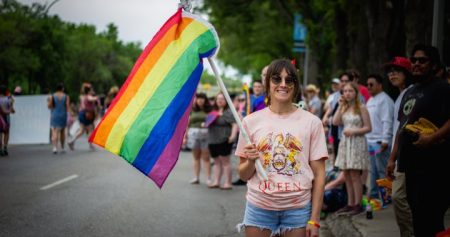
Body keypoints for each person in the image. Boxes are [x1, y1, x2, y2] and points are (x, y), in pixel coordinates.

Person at [235, 59, 327, 237]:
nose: (283, 84)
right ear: (267, 83)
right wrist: (251, 162)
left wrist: (314, 219)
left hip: (298, 210)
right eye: (277, 79)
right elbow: (243, 174)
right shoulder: (250, 122)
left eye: (289, 80)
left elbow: (320, 175)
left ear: (295, 85)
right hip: (259, 207)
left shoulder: (312, 123)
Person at [387, 44, 450, 237]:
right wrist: (392, 158)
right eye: (413, 60)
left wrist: (432, 138)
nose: (416, 64)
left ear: (433, 64)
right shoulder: (410, 92)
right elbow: (402, 127)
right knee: (417, 217)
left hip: (434, 167)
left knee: (431, 220)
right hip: (410, 165)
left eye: (422, 60)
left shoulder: (442, 88)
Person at [383, 56, 415, 237]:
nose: (392, 74)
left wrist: (392, 157)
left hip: (407, 154)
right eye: (390, 71)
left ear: (407, 73)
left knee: (399, 197)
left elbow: (403, 129)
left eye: (397, 70)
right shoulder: (401, 95)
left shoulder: (411, 92)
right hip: (399, 153)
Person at [333, 82, 372, 216]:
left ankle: (358, 204)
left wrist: (354, 131)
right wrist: (339, 105)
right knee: (347, 174)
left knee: (355, 174)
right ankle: (350, 204)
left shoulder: (361, 108)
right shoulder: (344, 107)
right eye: (345, 91)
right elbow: (335, 122)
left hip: (357, 141)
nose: (347, 93)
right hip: (346, 143)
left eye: (350, 91)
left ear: (356, 93)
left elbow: (368, 127)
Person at [365, 74, 394, 201]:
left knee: (383, 171)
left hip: (380, 142)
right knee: (373, 171)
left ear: (380, 85)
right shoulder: (370, 100)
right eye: (367, 85)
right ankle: (375, 196)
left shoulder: (385, 100)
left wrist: (385, 140)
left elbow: (387, 121)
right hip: (370, 142)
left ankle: (386, 197)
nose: (368, 87)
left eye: (371, 84)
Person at [207, 92, 238, 190]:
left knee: (225, 162)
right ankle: (216, 181)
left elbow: (234, 124)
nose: (220, 100)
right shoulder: (213, 111)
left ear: (226, 101)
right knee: (216, 162)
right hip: (212, 139)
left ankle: (228, 182)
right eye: (218, 99)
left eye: (222, 99)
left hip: (224, 139)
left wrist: (233, 136)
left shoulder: (229, 112)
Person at [184, 93, 212, 185]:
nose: (200, 100)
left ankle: (208, 178)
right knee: (196, 158)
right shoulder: (191, 109)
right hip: (193, 135)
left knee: (206, 158)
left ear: (205, 100)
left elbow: (212, 120)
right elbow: (187, 124)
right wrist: (185, 136)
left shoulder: (209, 110)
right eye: (198, 98)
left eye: (202, 98)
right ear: (195, 100)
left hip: (206, 135)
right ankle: (196, 177)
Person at [68, 84, 99, 151]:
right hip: (87, 115)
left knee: (82, 130)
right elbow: (91, 99)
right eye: (91, 90)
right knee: (91, 129)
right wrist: (96, 98)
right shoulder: (88, 96)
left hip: (83, 114)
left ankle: (72, 141)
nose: (92, 91)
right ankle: (90, 144)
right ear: (89, 91)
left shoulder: (83, 97)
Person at [47, 83, 70, 154]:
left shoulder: (52, 96)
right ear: (62, 88)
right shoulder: (66, 96)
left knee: (54, 131)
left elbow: (49, 106)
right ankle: (62, 147)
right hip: (63, 115)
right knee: (62, 132)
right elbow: (67, 106)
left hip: (54, 115)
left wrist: (49, 103)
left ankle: (55, 148)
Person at [0, 85, 15, 156]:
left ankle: (0, 149)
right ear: (6, 91)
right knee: (6, 132)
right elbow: (12, 110)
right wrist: (12, 103)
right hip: (6, 117)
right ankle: (5, 147)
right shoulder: (8, 99)